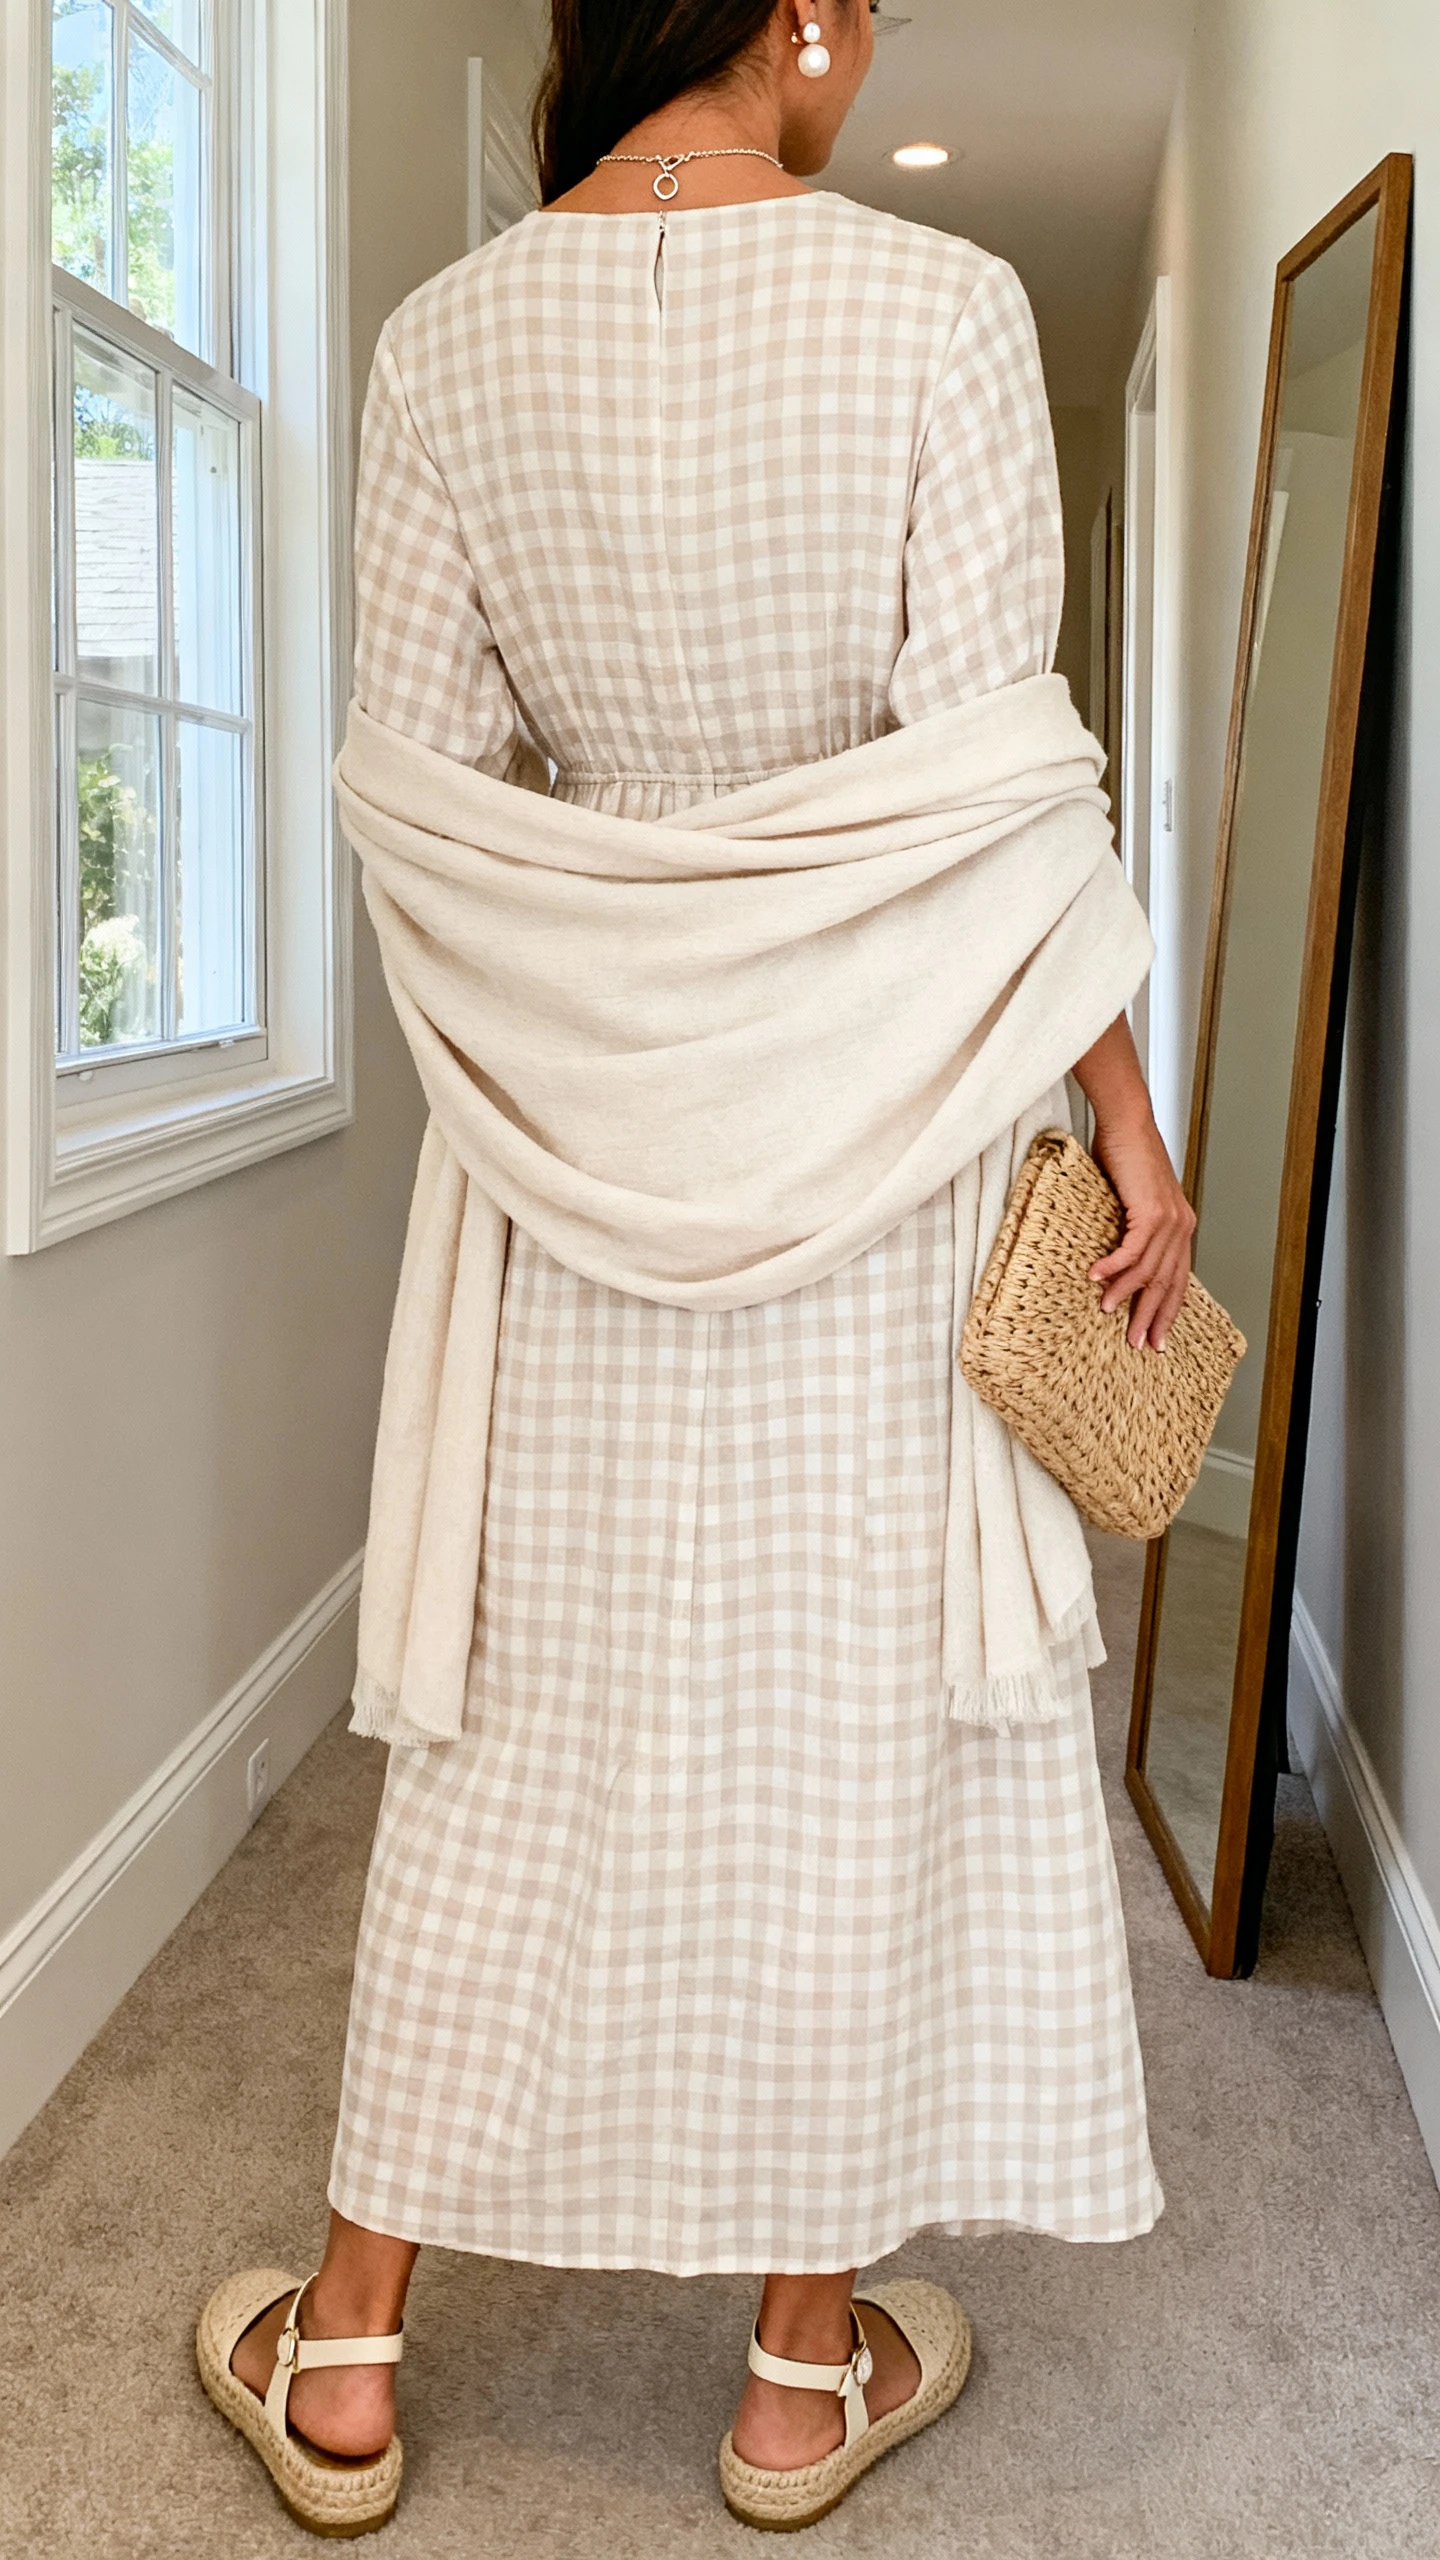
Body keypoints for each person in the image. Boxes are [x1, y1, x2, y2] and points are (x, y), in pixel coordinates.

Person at [197, 0, 1192, 2535]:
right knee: (833, 1744)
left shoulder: (443, 343)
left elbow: (418, 799)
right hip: (879, 1159)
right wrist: (1129, 1124)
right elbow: (997, 786)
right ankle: (786, 2380)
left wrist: (592, 1003)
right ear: (806, 27)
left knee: (510, 1748)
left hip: (570, 1175)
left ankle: (340, 2351)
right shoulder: (941, 312)